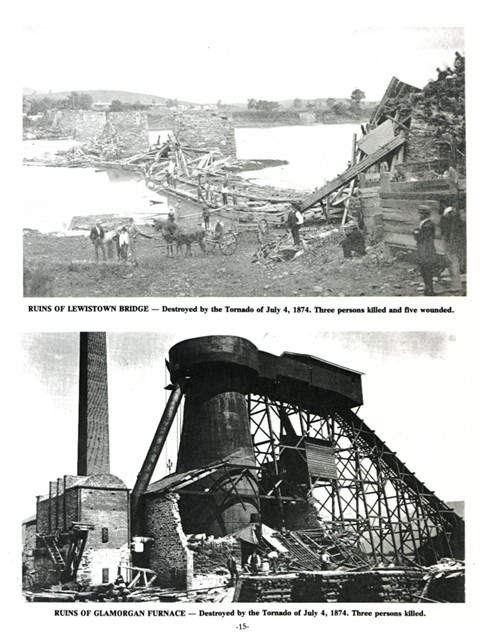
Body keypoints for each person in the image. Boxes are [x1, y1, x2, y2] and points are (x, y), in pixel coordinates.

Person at [413, 204, 437, 296]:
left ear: (425, 214)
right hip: (424, 250)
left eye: (421, 213)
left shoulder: (427, 225)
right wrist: (416, 232)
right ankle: (428, 289)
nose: (419, 215)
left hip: (426, 251)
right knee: (424, 271)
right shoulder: (424, 224)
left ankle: (430, 290)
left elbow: (420, 237)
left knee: (427, 271)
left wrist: (416, 233)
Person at [440, 206, 464, 292]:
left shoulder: (451, 221)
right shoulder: (455, 220)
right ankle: (455, 284)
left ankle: (456, 285)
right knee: (453, 263)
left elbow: (447, 234)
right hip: (452, 243)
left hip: (451, 244)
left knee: (453, 263)